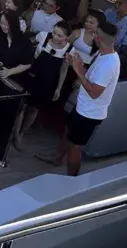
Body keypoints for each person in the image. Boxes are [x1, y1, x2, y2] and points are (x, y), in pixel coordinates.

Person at [48, 21, 121, 176]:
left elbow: (94, 92)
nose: (93, 35)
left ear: (98, 38)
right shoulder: (103, 54)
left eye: (95, 33)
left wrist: (78, 71)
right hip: (82, 107)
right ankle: (57, 159)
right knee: (68, 132)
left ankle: (72, 179)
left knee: (75, 147)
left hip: (89, 114)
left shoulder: (109, 64)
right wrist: (77, 65)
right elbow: (92, 77)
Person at [14, 23, 72, 149]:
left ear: (66, 37)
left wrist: (58, 88)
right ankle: (15, 133)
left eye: (60, 35)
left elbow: (64, 69)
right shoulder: (43, 36)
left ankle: (22, 132)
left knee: (34, 109)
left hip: (47, 83)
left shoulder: (69, 50)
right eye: (54, 33)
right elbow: (27, 44)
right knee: (22, 106)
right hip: (31, 77)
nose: (55, 37)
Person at [0, 10, 33, 85]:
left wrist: (10, 71)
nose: (5, 27)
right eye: (2, 23)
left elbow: (28, 63)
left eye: (8, 24)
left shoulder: (24, 41)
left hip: (14, 80)